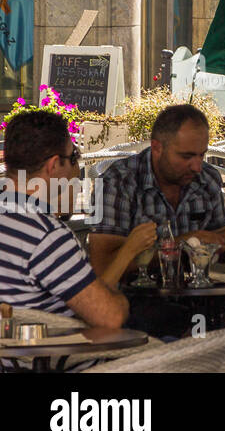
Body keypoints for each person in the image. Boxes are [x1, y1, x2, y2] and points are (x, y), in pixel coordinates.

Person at [0, 110, 151, 327]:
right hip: (55, 356)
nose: (76, 168)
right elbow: (111, 317)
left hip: (11, 356)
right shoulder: (47, 236)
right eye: (74, 157)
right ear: (53, 165)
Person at [90, 104, 225, 275]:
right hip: (135, 298)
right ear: (157, 148)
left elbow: (221, 239)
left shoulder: (207, 179)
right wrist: (179, 245)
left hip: (195, 295)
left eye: (201, 155)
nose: (197, 167)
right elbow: (103, 267)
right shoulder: (116, 182)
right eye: (186, 156)